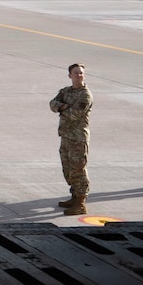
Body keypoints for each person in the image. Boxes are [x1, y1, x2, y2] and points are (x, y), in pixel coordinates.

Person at [49, 63, 93, 215]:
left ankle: (81, 203)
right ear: (70, 76)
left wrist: (62, 108)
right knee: (68, 168)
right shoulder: (65, 91)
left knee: (78, 169)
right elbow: (52, 104)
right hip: (66, 136)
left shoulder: (85, 95)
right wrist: (63, 107)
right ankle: (74, 196)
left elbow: (75, 114)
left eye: (81, 73)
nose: (79, 75)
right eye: (76, 73)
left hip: (78, 137)